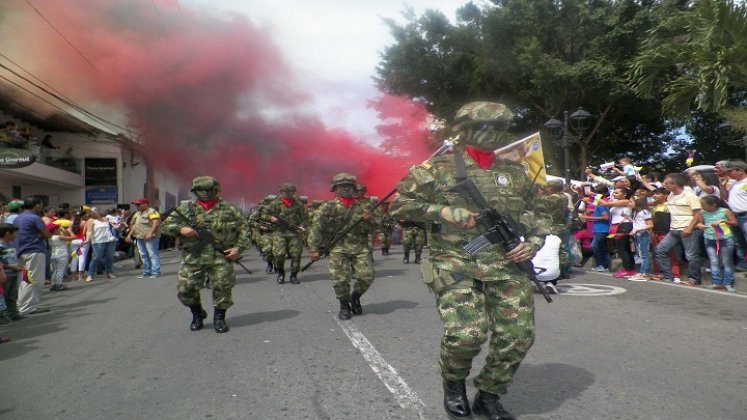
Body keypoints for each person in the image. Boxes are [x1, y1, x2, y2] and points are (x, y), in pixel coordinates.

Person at [390, 102, 552, 420]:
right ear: (463, 131)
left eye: (499, 128)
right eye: (483, 127)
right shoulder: (436, 169)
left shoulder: (517, 172)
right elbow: (399, 205)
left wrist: (531, 244)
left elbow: (539, 215)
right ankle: (454, 388)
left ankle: (488, 396)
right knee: (467, 334)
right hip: (455, 262)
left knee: (518, 336)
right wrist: (442, 211)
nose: (492, 133)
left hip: (506, 263)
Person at [161, 176, 251, 333]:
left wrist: (238, 248)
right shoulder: (186, 208)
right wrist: (181, 229)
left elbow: (245, 230)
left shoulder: (229, 209)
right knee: (185, 290)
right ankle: (197, 314)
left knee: (222, 287)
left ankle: (219, 318)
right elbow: (165, 225)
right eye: (200, 190)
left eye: (208, 190)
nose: (205, 193)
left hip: (220, 256)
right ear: (195, 191)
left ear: (216, 190)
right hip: (193, 256)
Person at [308, 173, 378, 320]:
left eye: (349, 186)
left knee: (367, 277)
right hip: (337, 248)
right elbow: (316, 228)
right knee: (340, 280)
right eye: (342, 186)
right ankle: (344, 306)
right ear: (335, 188)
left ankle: (355, 297)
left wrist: (369, 219)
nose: (346, 189)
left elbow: (378, 226)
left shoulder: (365, 206)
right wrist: (314, 248)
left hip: (360, 247)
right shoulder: (327, 207)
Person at [654, 172, 702, 285]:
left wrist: (689, 228)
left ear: (674, 184)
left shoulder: (690, 196)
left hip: (688, 229)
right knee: (660, 250)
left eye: (666, 183)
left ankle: (694, 279)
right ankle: (668, 276)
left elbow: (697, 214)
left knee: (691, 255)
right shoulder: (670, 196)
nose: (664, 185)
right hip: (674, 229)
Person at [13, 196, 52, 315]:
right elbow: (47, 235)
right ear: (37, 205)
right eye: (40, 204)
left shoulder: (18, 218)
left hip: (21, 251)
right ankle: (28, 307)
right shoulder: (35, 218)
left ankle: (24, 305)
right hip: (34, 251)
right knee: (33, 280)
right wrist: (41, 235)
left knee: (25, 279)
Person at [263, 183, 307, 284]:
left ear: (294, 192)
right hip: (279, 232)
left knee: (296, 255)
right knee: (279, 254)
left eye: (290, 192)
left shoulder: (299, 204)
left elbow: (305, 218)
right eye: (285, 192)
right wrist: (270, 218)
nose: (287, 194)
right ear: (281, 192)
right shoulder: (274, 203)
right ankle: (281, 273)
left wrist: (302, 226)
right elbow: (263, 214)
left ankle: (293, 275)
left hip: (294, 232)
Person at [695, 195, 737, 292]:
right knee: (713, 261)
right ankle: (716, 282)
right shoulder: (702, 212)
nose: (702, 207)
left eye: (704, 205)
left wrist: (723, 221)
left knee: (726, 261)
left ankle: (728, 283)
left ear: (713, 205)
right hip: (709, 238)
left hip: (725, 238)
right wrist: (700, 225)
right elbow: (700, 223)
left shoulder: (724, 211)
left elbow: (734, 222)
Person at [125, 198, 162, 279]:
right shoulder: (137, 214)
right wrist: (129, 235)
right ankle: (147, 272)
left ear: (145, 204)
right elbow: (134, 225)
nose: (137, 206)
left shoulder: (152, 212)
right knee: (143, 255)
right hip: (139, 237)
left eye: (139, 204)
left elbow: (156, 223)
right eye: (136, 204)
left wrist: (150, 233)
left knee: (152, 254)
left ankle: (156, 272)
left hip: (150, 237)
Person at [581, 185, 611, 272]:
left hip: (601, 229)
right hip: (599, 228)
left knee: (595, 246)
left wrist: (590, 218)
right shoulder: (599, 203)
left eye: (600, 193)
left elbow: (605, 217)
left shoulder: (601, 203)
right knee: (602, 247)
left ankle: (601, 265)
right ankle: (604, 265)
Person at [84, 207, 118, 282]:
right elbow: (89, 231)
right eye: (91, 212)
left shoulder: (106, 219)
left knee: (109, 257)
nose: (92, 213)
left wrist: (118, 226)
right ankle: (90, 274)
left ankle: (109, 273)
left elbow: (114, 227)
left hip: (110, 240)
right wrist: (87, 239)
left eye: (94, 211)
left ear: (98, 211)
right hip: (98, 241)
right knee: (96, 257)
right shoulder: (91, 221)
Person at [0, 223, 24, 321]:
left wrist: (18, 266)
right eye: (14, 233)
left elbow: (13, 258)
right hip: (5, 274)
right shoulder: (1, 245)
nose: (16, 235)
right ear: (7, 233)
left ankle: (13, 313)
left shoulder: (10, 244)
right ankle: (4, 315)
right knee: (4, 295)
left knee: (12, 295)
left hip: (13, 273)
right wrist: (11, 267)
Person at [628, 197, 653, 281]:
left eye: (631, 201)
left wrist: (637, 230)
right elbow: (637, 223)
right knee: (640, 253)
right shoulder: (636, 212)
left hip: (643, 234)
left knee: (644, 254)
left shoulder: (644, 212)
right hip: (638, 235)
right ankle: (641, 272)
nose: (629, 203)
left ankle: (644, 273)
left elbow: (650, 225)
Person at [47, 223, 74, 291]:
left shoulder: (50, 238)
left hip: (54, 255)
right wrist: (70, 231)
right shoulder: (59, 237)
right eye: (58, 229)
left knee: (55, 271)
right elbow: (73, 237)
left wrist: (63, 231)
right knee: (60, 270)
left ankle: (53, 284)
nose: (60, 230)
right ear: (55, 230)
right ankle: (58, 285)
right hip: (62, 255)